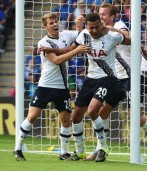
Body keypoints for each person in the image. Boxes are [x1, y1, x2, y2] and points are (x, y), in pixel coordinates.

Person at [13, 13, 90, 161]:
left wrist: (79, 24)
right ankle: (18, 148)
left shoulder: (66, 35)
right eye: (51, 23)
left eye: (56, 21)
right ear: (45, 27)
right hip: (45, 85)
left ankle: (64, 152)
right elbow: (56, 60)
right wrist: (76, 51)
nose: (55, 24)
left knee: (66, 120)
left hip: (62, 87)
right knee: (32, 116)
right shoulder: (44, 43)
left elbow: (81, 36)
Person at [98, 3, 147, 162]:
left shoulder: (119, 25)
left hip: (132, 77)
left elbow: (131, 39)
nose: (101, 16)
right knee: (102, 112)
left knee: (135, 116)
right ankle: (101, 148)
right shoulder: (101, 32)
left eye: (104, 14)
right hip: (116, 79)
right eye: (100, 13)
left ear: (112, 16)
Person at [66, 13, 130, 162]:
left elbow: (131, 41)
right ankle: (80, 151)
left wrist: (146, 55)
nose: (94, 30)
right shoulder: (84, 35)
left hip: (108, 78)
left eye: (96, 27)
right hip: (90, 79)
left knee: (93, 110)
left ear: (101, 24)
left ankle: (103, 148)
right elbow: (70, 50)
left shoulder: (112, 37)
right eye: (91, 28)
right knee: (76, 116)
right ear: (87, 27)